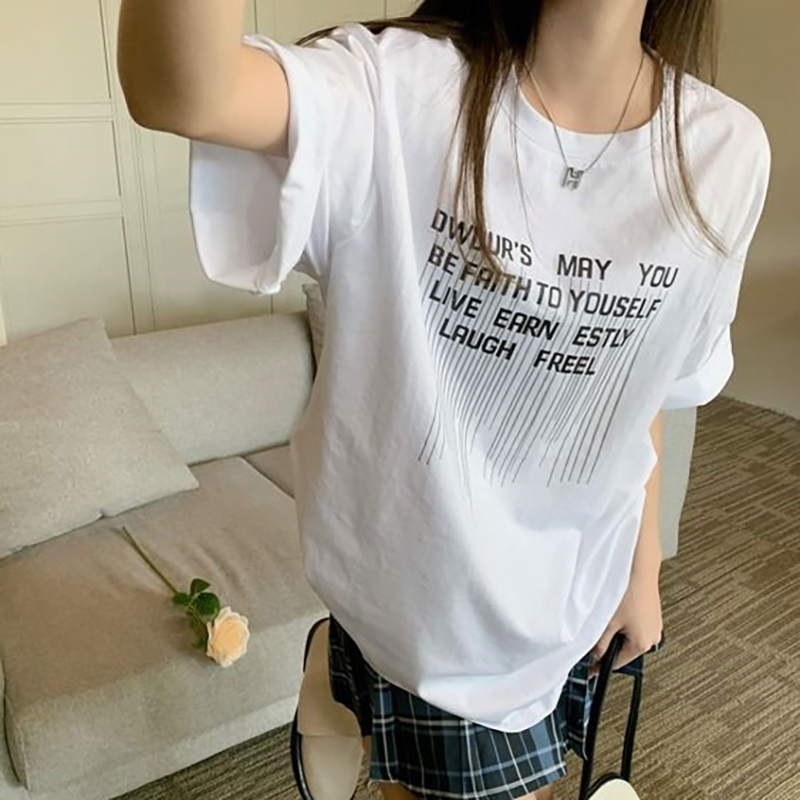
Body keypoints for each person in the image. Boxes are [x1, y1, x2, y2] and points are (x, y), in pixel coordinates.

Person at [118, 1, 770, 798]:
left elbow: (640, 385)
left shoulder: (724, 151)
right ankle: (350, 670)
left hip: (569, 602)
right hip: (421, 614)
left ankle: (340, 680)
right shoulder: (394, 91)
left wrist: (641, 572)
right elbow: (184, 91)